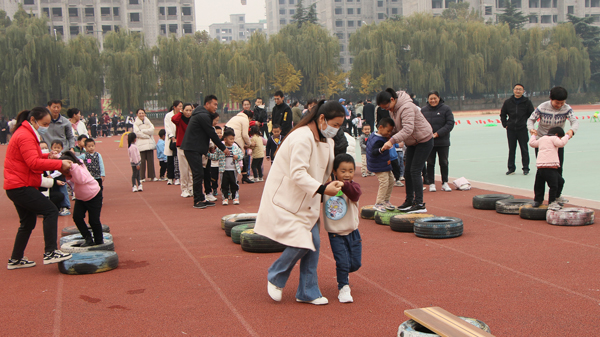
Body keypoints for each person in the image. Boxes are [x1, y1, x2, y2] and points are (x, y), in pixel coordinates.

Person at [254, 100, 345, 306]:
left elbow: (323, 169)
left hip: (309, 199)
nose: (336, 130)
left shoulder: (327, 140)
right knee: (304, 242)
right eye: (336, 125)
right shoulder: (302, 137)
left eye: (340, 126)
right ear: (322, 119)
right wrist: (322, 189)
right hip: (288, 199)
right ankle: (276, 275)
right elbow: (298, 173)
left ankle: (307, 290)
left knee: (313, 243)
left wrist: (333, 182)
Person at [5, 107, 73, 269]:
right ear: (33, 120)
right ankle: (50, 252)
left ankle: (16, 259)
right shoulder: (25, 136)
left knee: (27, 222)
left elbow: (30, 158)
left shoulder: (26, 133)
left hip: (18, 184)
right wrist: (59, 163)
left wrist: (46, 156)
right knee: (50, 210)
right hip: (20, 185)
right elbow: (33, 163)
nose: (46, 127)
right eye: (44, 123)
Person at [377, 88, 434, 214]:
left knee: (415, 171)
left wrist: (391, 141)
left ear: (392, 99)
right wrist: (383, 135)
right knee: (407, 171)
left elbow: (408, 129)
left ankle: (419, 203)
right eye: (384, 108)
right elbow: (397, 128)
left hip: (424, 140)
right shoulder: (394, 110)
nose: (387, 110)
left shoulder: (406, 107)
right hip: (412, 142)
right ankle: (409, 201)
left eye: (387, 106)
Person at [527, 86, 578, 204]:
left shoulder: (567, 109)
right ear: (551, 99)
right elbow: (531, 120)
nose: (559, 105)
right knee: (542, 170)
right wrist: (532, 130)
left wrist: (571, 131)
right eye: (557, 103)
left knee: (558, 169)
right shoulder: (542, 107)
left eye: (562, 103)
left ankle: (556, 196)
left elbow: (574, 121)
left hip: (557, 143)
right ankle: (538, 199)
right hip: (542, 142)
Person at [322, 153, 362, 303]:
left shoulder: (354, 187)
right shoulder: (327, 188)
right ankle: (343, 287)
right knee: (342, 262)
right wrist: (326, 187)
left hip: (353, 232)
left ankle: (344, 271)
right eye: (343, 171)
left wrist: (344, 185)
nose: (347, 174)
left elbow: (355, 194)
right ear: (334, 171)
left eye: (351, 171)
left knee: (355, 264)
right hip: (335, 234)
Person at [180, 95, 230, 209]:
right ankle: (197, 200)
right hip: (191, 148)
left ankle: (202, 198)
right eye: (215, 104)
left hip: (195, 148)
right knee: (198, 174)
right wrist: (223, 148)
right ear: (207, 104)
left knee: (200, 173)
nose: (216, 107)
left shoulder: (202, 114)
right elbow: (211, 133)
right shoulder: (203, 115)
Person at [60, 151, 104, 247]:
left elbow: (81, 180)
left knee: (93, 221)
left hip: (94, 195)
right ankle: (88, 238)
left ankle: (99, 242)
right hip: (81, 198)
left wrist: (73, 167)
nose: (62, 173)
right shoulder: (70, 170)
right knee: (77, 217)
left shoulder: (79, 168)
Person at [421, 91, 455, 192]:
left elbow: (450, 123)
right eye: (431, 98)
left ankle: (445, 182)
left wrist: (438, 133)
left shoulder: (446, 109)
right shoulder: (423, 110)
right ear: (428, 99)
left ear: (439, 98)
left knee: (444, 162)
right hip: (429, 141)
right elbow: (420, 124)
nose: (433, 100)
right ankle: (431, 183)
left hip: (443, 141)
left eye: (435, 98)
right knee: (430, 163)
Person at [529, 126, 570, 208]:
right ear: (557, 134)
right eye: (560, 137)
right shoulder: (554, 138)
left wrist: (533, 135)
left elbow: (532, 143)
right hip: (550, 166)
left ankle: (538, 200)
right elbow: (561, 144)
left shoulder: (542, 139)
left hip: (540, 166)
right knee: (554, 185)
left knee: (539, 184)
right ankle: (552, 201)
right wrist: (567, 136)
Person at [500, 84, 535, 175]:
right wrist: (505, 124)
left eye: (520, 89)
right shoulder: (508, 102)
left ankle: (526, 168)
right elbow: (503, 114)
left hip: (522, 129)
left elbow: (532, 115)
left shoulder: (527, 102)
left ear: (523, 91)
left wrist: (526, 124)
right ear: (513, 90)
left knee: (524, 148)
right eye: (516, 89)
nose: (518, 91)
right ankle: (511, 168)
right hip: (511, 129)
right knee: (512, 149)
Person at [366, 118, 396, 212]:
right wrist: (382, 149)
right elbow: (374, 152)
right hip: (378, 165)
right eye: (388, 131)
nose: (389, 133)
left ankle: (386, 200)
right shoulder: (378, 140)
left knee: (391, 180)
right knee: (384, 182)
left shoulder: (375, 134)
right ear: (381, 127)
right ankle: (378, 203)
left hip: (383, 163)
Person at [208, 127, 244, 205]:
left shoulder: (235, 147)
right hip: (223, 170)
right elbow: (215, 157)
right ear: (225, 139)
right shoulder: (220, 148)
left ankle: (235, 197)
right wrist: (207, 154)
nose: (232, 141)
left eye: (233, 139)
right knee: (224, 184)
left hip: (233, 169)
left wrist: (237, 157)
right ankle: (225, 198)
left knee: (234, 184)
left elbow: (241, 155)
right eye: (230, 139)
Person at [225, 102, 253, 184]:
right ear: (249, 117)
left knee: (230, 156)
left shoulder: (235, 117)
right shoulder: (245, 119)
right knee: (240, 156)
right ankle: (242, 176)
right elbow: (245, 134)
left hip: (226, 136)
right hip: (234, 138)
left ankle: (240, 176)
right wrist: (250, 144)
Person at [172, 103, 195, 198]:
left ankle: (191, 187)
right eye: (186, 110)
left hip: (192, 147)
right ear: (183, 110)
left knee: (191, 169)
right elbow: (174, 119)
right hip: (181, 146)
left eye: (190, 110)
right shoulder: (180, 119)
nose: (188, 112)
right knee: (183, 169)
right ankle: (184, 188)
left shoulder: (193, 119)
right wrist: (180, 112)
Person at [133, 108, 157, 182]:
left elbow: (152, 130)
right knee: (142, 161)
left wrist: (143, 131)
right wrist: (147, 135)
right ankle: (141, 177)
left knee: (151, 161)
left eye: (142, 113)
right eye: (139, 113)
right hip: (141, 144)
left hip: (149, 144)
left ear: (145, 114)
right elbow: (137, 133)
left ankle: (152, 176)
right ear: (137, 114)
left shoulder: (148, 121)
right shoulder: (135, 123)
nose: (141, 114)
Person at [50, 140, 72, 216]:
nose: (56, 149)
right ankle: (59, 207)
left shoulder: (61, 158)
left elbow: (59, 171)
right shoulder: (51, 157)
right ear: (51, 148)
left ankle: (66, 206)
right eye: (54, 147)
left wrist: (51, 176)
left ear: (62, 148)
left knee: (63, 191)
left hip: (61, 178)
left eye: (58, 147)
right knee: (57, 191)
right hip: (55, 179)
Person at [164, 101, 182, 186]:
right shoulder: (168, 116)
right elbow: (167, 127)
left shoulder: (182, 115)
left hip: (180, 138)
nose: (181, 108)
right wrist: (172, 136)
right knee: (170, 159)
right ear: (174, 107)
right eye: (179, 106)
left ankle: (178, 177)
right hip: (171, 139)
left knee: (178, 159)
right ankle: (170, 177)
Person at [209, 126, 223, 196]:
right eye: (217, 133)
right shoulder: (211, 143)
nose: (219, 134)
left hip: (222, 164)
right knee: (214, 178)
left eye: (221, 133)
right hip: (213, 164)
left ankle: (224, 189)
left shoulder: (224, 142)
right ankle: (214, 189)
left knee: (223, 178)